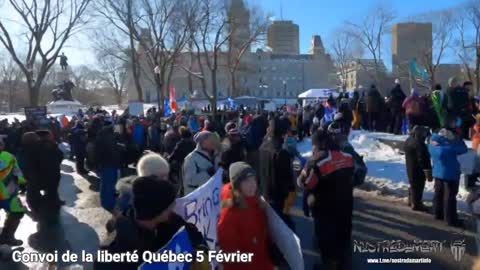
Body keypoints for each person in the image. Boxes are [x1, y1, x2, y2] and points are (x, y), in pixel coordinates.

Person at [95, 177, 209, 270]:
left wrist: (200, 251)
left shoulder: (170, 220)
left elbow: (194, 235)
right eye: (170, 205)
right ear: (157, 210)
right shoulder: (115, 248)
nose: (174, 207)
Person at [297, 128, 354, 269]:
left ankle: (329, 263)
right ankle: (344, 259)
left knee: (326, 235)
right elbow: (355, 176)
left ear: (316, 144)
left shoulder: (316, 161)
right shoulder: (347, 156)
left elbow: (305, 183)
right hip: (346, 203)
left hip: (325, 206)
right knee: (343, 231)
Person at [218, 162, 275, 270]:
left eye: (253, 179)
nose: (252, 184)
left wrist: (271, 247)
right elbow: (230, 256)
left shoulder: (257, 202)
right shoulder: (229, 215)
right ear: (237, 185)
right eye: (246, 181)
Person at [429, 128, 468, 227]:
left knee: (438, 193)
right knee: (449, 197)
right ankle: (450, 219)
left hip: (438, 172)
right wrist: (457, 141)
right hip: (450, 173)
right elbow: (463, 149)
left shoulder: (434, 142)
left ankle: (437, 213)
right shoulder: (450, 148)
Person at [0, 139, 26, 246]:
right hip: (6, 193)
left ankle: (7, 237)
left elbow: (17, 171)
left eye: (0, 144)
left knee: (18, 212)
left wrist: (22, 182)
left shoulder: (9, 156)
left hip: (9, 193)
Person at [96, 122, 125, 212]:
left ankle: (104, 201)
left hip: (104, 164)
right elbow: (117, 150)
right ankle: (109, 203)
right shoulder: (111, 138)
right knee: (111, 184)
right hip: (111, 164)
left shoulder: (100, 137)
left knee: (104, 183)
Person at [404, 126, 432, 212]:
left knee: (413, 184)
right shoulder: (419, 144)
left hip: (410, 166)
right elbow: (423, 158)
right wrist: (427, 170)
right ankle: (416, 204)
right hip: (418, 168)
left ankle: (411, 200)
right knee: (418, 185)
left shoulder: (409, 140)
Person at [168, 126, 196, 193]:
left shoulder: (180, 144)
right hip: (193, 164)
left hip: (183, 165)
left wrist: (168, 160)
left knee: (183, 182)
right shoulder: (194, 144)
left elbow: (173, 155)